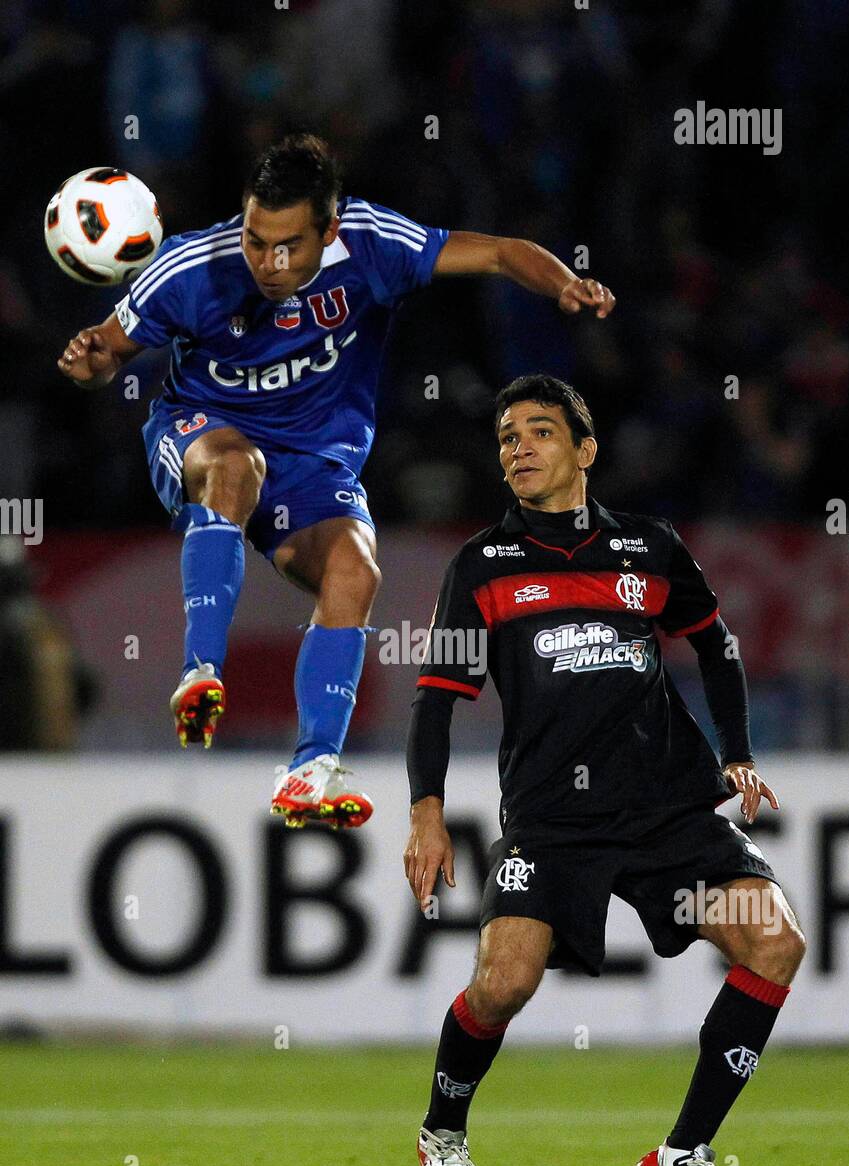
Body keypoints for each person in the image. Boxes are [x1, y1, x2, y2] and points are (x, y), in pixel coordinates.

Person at [56, 134, 615, 828]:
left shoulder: (376, 245)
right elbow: (105, 349)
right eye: (257, 239)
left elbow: (500, 251)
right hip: (204, 431)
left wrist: (564, 283)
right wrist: (90, 361)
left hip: (315, 464)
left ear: (330, 229)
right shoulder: (191, 267)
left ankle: (310, 771)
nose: (268, 261)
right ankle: (201, 671)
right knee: (236, 467)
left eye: (288, 244)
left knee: (355, 567)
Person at [404, 373, 805, 1166]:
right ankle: (444, 1132)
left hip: (664, 809)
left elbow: (717, 648)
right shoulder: (480, 565)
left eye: (539, 432)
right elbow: (437, 696)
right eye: (508, 435)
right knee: (503, 983)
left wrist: (735, 755)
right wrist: (426, 812)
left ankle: (683, 1150)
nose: (517, 447)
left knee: (774, 941)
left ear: (584, 451)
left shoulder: (649, 550)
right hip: (552, 822)